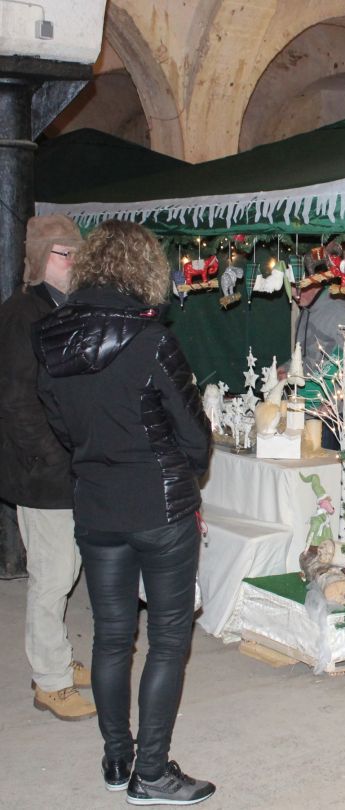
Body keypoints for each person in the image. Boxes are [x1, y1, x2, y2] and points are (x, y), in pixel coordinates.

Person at [32, 220, 215, 805]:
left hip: (96, 506)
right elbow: (195, 436)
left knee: (111, 638)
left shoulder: (50, 338)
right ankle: (151, 772)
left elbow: (61, 427)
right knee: (167, 639)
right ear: (143, 269)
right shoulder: (150, 337)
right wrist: (181, 467)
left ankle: (118, 759)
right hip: (160, 506)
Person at [0, 214, 96, 721]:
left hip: (68, 464)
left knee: (66, 568)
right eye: (65, 253)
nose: (74, 261)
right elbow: (16, 401)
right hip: (43, 472)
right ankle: (50, 680)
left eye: (77, 252)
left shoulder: (62, 308)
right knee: (52, 575)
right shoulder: (22, 315)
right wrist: (50, 457)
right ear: (41, 259)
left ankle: (56, 656)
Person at [280, 250, 345, 450]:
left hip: (332, 416)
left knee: (326, 467)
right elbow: (303, 357)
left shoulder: (341, 314)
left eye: (295, 286)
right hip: (305, 412)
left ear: (313, 282)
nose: (293, 293)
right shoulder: (304, 314)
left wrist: (336, 404)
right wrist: (285, 369)